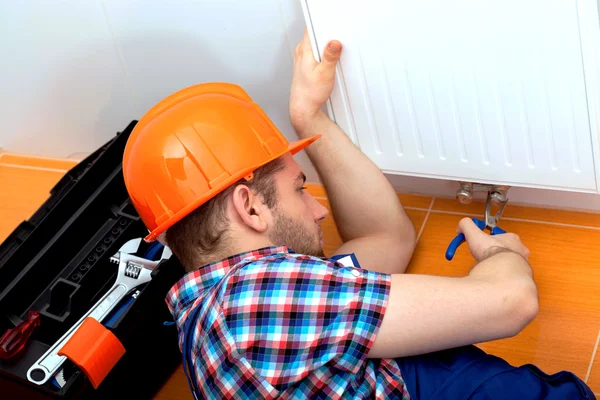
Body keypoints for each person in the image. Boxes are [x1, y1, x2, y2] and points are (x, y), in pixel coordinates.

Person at [121, 31, 595, 399]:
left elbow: (385, 236)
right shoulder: (261, 299)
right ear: (249, 206)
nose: (318, 208)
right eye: (299, 189)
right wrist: (498, 253)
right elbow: (512, 302)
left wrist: (308, 116)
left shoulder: (219, 312)